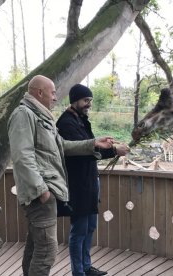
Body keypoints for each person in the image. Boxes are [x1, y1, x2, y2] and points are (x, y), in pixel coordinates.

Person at [7, 75, 114, 276]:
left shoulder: (41, 116)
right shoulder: (24, 114)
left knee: (36, 247)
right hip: (40, 193)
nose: (56, 97)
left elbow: (62, 146)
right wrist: (42, 190)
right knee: (47, 249)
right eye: (53, 92)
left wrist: (93, 144)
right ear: (39, 92)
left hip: (47, 191)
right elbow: (22, 156)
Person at [56, 84, 130, 276]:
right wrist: (113, 151)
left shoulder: (80, 119)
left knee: (89, 227)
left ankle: (87, 267)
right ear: (75, 100)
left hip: (89, 181)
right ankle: (78, 272)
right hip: (77, 184)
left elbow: (90, 148)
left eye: (90, 100)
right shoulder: (66, 123)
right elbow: (82, 152)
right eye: (85, 100)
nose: (88, 104)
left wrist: (105, 145)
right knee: (79, 230)